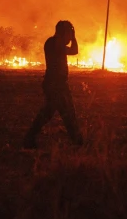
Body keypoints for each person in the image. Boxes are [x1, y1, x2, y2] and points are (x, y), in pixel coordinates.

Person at [23, 20, 83, 148]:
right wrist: (72, 37)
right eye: (68, 32)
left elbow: (74, 51)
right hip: (54, 84)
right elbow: (71, 50)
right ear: (62, 32)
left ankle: (77, 140)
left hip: (60, 84)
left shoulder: (57, 43)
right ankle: (77, 141)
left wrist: (73, 37)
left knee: (61, 112)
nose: (69, 36)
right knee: (63, 112)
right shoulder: (53, 42)